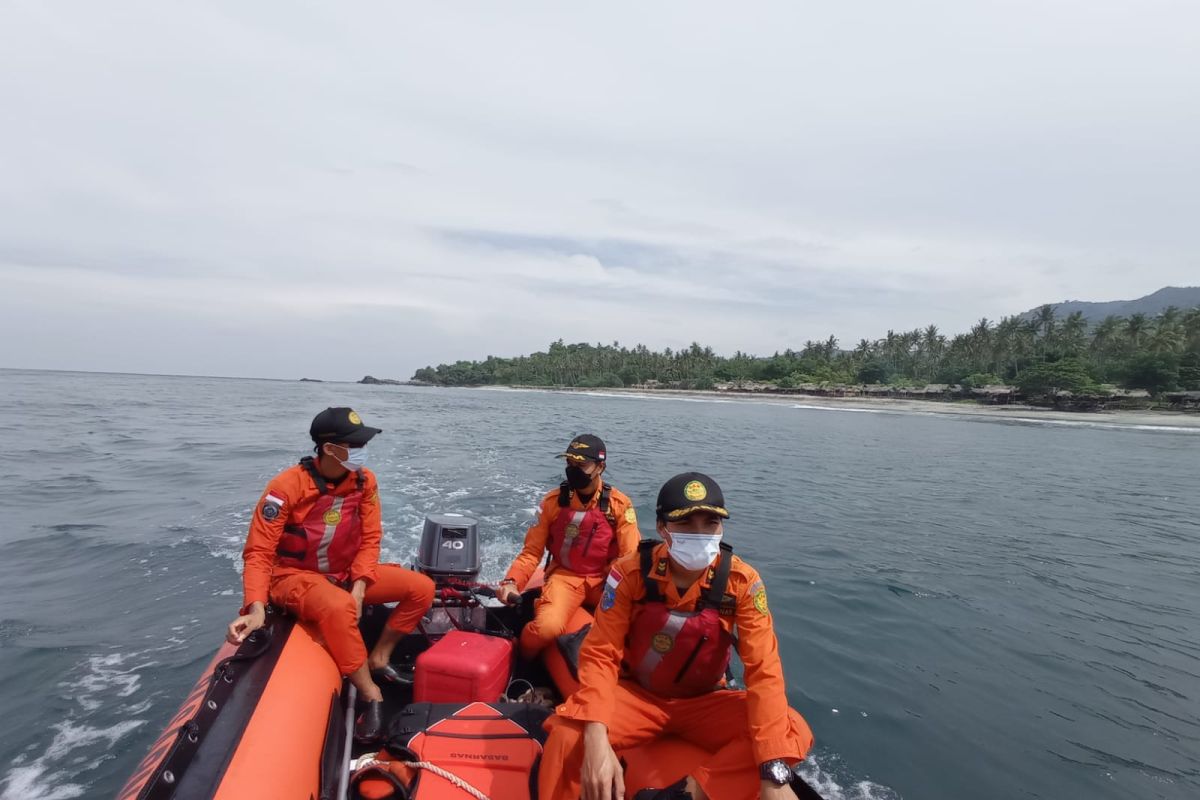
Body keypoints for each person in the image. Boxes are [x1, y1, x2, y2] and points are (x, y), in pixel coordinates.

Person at [537, 472, 815, 800]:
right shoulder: (629, 574)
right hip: (637, 696)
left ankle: (692, 791)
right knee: (568, 736)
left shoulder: (742, 582)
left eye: (710, 523)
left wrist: (772, 770)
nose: (700, 534)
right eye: (685, 524)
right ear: (661, 528)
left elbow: (764, 672)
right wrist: (597, 737)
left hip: (704, 702)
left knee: (793, 726)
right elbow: (601, 653)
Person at [225, 407, 435, 741]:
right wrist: (255, 608)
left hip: (344, 572)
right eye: (353, 445)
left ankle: (379, 658)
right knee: (339, 607)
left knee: (422, 588)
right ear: (328, 448)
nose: (361, 452)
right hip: (293, 576)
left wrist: (362, 583)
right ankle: (372, 695)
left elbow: (371, 538)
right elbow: (259, 552)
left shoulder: (365, 481)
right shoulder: (285, 487)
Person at [496, 434, 642, 661]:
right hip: (565, 576)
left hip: (606, 582)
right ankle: (522, 659)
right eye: (569, 464)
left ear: (600, 467)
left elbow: (630, 557)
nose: (573, 470)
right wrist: (511, 582)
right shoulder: (553, 503)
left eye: (581, 465)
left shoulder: (619, 505)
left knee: (638, 629)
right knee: (547, 628)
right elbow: (532, 552)